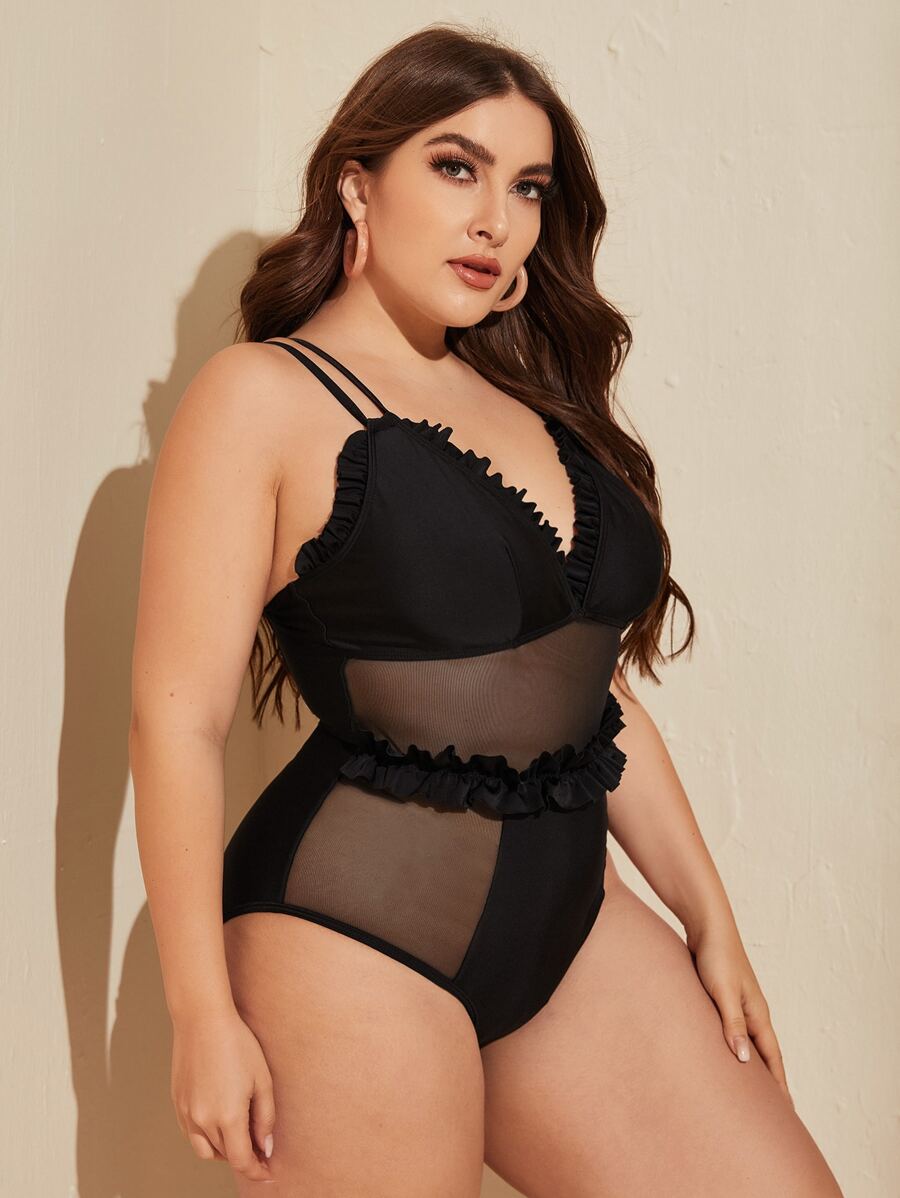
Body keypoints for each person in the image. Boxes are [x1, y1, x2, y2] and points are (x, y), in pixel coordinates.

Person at [129, 23, 844, 1197]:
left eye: (527, 188)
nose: (495, 219)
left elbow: (590, 694)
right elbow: (177, 718)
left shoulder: (529, 401)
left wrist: (709, 916)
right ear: (358, 185)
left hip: (567, 923)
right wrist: (198, 1009)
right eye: (456, 167)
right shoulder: (261, 397)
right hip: (349, 932)